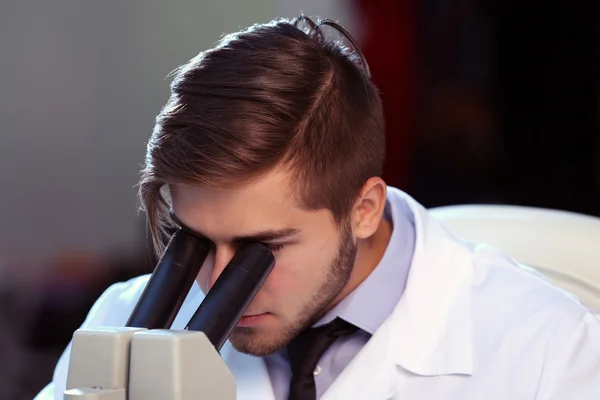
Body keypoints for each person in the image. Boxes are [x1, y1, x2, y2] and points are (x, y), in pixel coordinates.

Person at [35, 16, 600, 400]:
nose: (221, 282)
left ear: (363, 208)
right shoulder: (122, 322)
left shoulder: (546, 347)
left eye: (265, 249)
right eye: (197, 242)